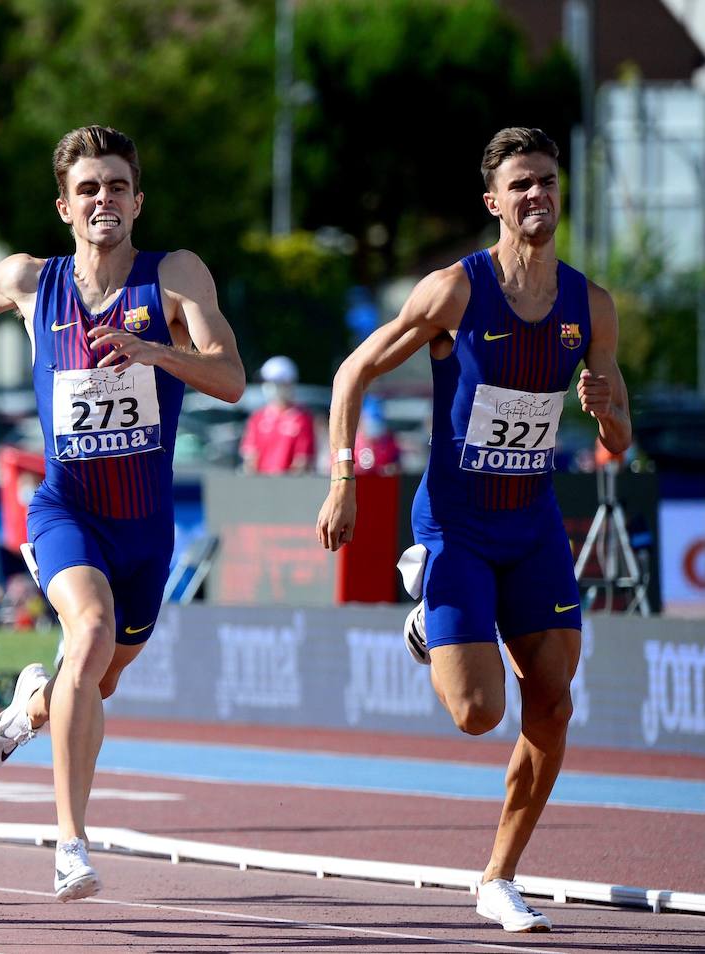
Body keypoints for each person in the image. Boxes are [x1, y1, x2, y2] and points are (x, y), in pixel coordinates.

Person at [316, 127, 631, 934]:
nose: (538, 195)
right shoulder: (455, 291)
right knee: (478, 714)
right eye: (521, 184)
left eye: (548, 181)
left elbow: (618, 436)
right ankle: (431, 614)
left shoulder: (591, 305)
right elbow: (353, 372)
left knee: (553, 707)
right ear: (493, 202)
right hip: (455, 526)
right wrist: (345, 478)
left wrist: (608, 414)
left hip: (531, 527)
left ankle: (499, 875)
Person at [0, 125, 245, 900]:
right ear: (64, 206)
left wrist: (156, 353)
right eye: (89, 189)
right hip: (65, 509)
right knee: (87, 633)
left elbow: (231, 377)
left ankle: (30, 707)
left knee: (95, 680)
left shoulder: (174, 275)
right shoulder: (29, 281)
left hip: (146, 530)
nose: (103, 200)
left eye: (117, 186)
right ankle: (71, 843)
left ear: (138, 200)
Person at [239, 354, 316, 474]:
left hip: (288, 487)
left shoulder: (302, 419)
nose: (270, 387)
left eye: (276, 383)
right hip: (260, 486)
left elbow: (302, 461)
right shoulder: (257, 418)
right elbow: (250, 458)